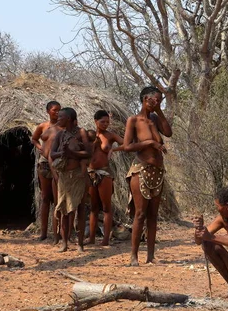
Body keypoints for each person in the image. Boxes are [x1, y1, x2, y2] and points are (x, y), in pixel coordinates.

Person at [124, 86, 172, 266]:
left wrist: (159, 110)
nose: (157, 103)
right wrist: (150, 142)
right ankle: (134, 256)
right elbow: (127, 146)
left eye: (160, 101)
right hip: (141, 169)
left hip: (158, 171)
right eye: (154, 100)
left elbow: (168, 133)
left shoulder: (154, 119)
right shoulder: (134, 120)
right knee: (140, 213)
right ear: (145, 99)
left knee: (153, 214)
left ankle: (151, 256)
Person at [50, 107, 91, 252]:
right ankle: (64, 243)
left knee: (79, 208)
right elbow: (52, 153)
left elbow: (88, 152)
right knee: (63, 210)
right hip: (64, 177)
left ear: (68, 119)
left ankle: (80, 244)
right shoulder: (60, 134)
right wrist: (63, 152)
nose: (58, 119)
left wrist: (72, 153)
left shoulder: (81, 133)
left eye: (61, 117)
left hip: (78, 175)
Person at [87, 110, 124, 246]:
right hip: (90, 173)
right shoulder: (89, 135)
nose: (105, 124)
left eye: (107, 122)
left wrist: (113, 150)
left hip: (104, 173)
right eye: (102, 122)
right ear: (95, 121)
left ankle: (106, 239)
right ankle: (91, 238)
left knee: (106, 207)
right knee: (93, 207)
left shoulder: (110, 136)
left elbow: (126, 144)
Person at [31, 101, 61, 241]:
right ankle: (43, 232)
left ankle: (58, 232)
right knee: (45, 197)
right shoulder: (43, 126)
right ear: (48, 111)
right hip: (44, 164)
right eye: (55, 110)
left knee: (58, 199)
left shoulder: (63, 126)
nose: (57, 112)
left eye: (59, 110)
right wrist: (41, 148)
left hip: (58, 163)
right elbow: (34, 139)